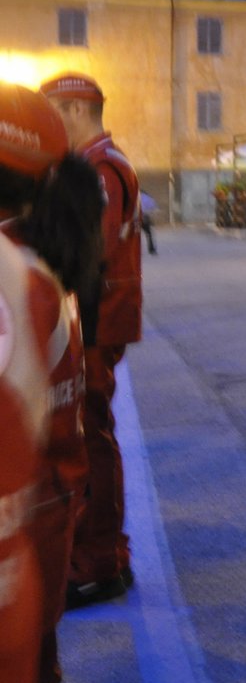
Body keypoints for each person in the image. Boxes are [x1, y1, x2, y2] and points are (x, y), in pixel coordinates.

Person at [0, 82, 101, 683]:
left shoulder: (11, 276)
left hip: (23, 527)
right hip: (46, 516)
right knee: (37, 680)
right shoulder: (35, 268)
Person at [40, 71, 142, 610]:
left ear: (76, 109)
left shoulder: (101, 166)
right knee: (91, 434)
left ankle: (102, 560)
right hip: (96, 317)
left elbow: (87, 248)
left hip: (98, 320)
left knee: (92, 439)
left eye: (50, 111)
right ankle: (100, 554)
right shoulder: (101, 162)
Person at [139, 191, 158, 255]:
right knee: (149, 234)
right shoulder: (147, 197)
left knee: (133, 235)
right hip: (144, 217)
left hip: (135, 218)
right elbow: (153, 206)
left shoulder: (133, 196)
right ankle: (151, 249)